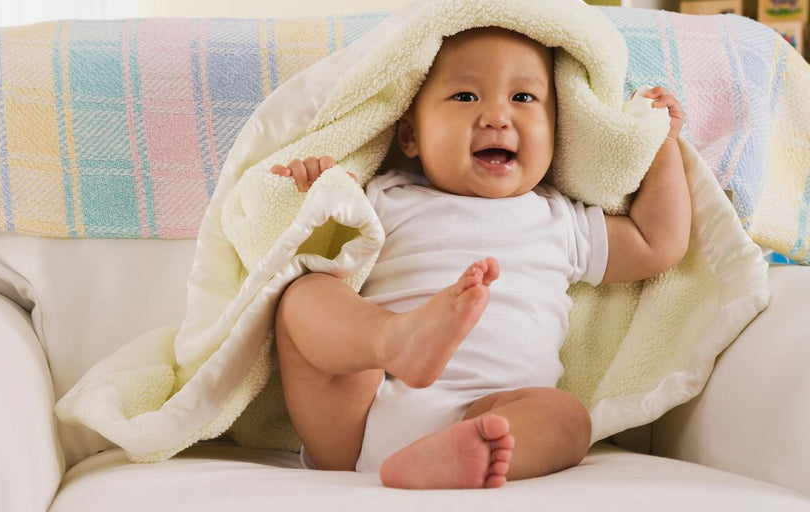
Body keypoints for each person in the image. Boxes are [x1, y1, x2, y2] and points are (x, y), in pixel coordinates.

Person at [269, 27, 689, 490]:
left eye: (524, 97)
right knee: (305, 293)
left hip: (491, 408)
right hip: (360, 411)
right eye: (466, 95)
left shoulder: (559, 219)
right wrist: (312, 184)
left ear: (558, 131)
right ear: (409, 134)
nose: (496, 116)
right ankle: (396, 339)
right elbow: (308, 231)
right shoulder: (384, 196)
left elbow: (658, 242)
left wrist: (660, 143)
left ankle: (460, 455)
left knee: (567, 417)